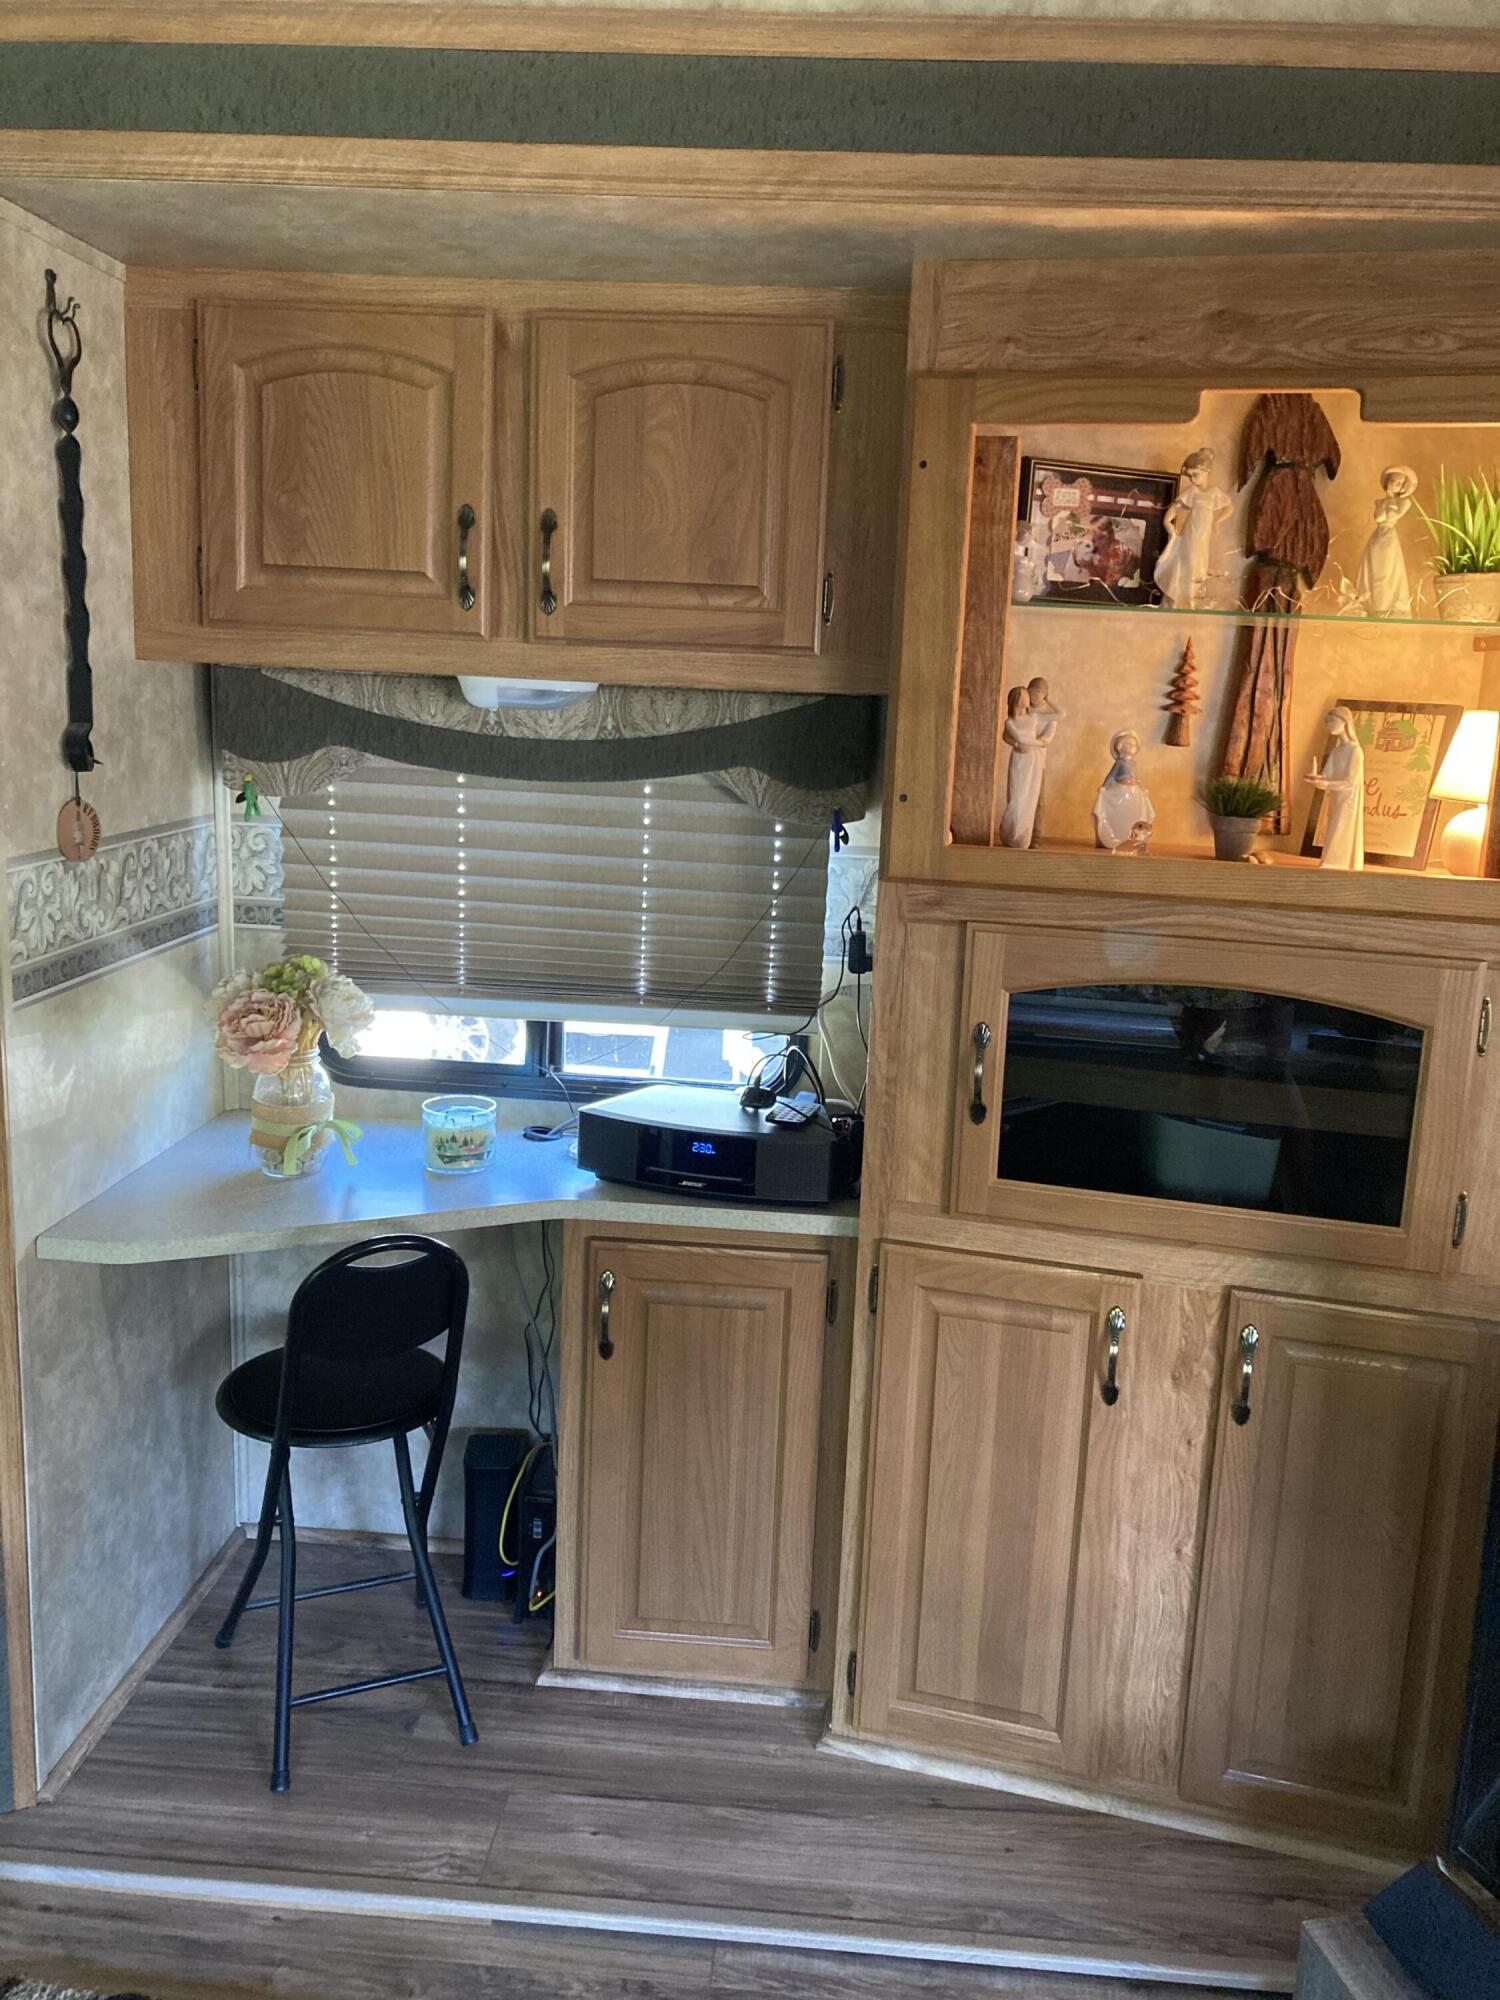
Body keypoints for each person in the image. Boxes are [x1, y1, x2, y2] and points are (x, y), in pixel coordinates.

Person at [1154, 447, 1232, 610]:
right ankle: (1183, 598)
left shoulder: (1214, 493)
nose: (1193, 480)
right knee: (1188, 562)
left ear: (1207, 471)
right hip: (1192, 533)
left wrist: (1217, 521)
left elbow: (1229, 508)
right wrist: (1168, 525)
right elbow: (1173, 510)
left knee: (1201, 566)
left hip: (1205, 535)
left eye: (1195, 475)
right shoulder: (1192, 492)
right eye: (1190, 476)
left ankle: (1193, 598)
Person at [1000, 684, 1059, 848]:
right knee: (1017, 795)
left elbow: (1058, 716)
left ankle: (1027, 839)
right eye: (1029, 692)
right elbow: (1009, 736)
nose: (1031, 695)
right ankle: (1009, 832)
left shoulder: (1037, 716)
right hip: (1021, 758)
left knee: (1032, 798)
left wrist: (1048, 699)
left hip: (1036, 759)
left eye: (1038, 691)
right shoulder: (1011, 721)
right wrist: (1018, 743)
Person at [1354, 465, 1417, 618]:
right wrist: (1387, 500)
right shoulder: (1379, 502)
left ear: (1403, 487)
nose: (1394, 485)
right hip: (1377, 537)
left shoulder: (1405, 503)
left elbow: (1392, 516)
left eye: (1398, 483)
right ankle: (1372, 605)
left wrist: (1391, 501)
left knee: (1387, 571)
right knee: (1374, 570)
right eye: (1392, 481)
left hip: (1389, 537)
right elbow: (1379, 518)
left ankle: (1385, 606)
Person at [1308, 705, 1365, 870]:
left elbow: (1350, 782)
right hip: (1336, 798)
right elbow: (1328, 776)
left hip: (1348, 800)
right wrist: (1317, 779)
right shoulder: (1336, 751)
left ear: (1344, 722)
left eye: (1332, 721)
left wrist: (1326, 784)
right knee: (1332, 829)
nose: (1329, 725)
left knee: (1341, 829)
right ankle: (1330, 861)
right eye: (1328, 722)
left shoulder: (1355, 751)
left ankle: (1337, 863)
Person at [1093, 729, 1156, 852]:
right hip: (1121, 791)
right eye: (1130, 744)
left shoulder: (1133, 763)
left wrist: (1143, 788)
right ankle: (1115, 837)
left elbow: (1138, 778)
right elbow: (1111, 776)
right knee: (1118, 813)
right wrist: (1104, 787)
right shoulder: (1120, 763)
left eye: (1134, 745)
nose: (1133, 747)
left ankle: (1132, 839)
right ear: (1120, 746)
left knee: (1134, 814)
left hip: (1134, 793)